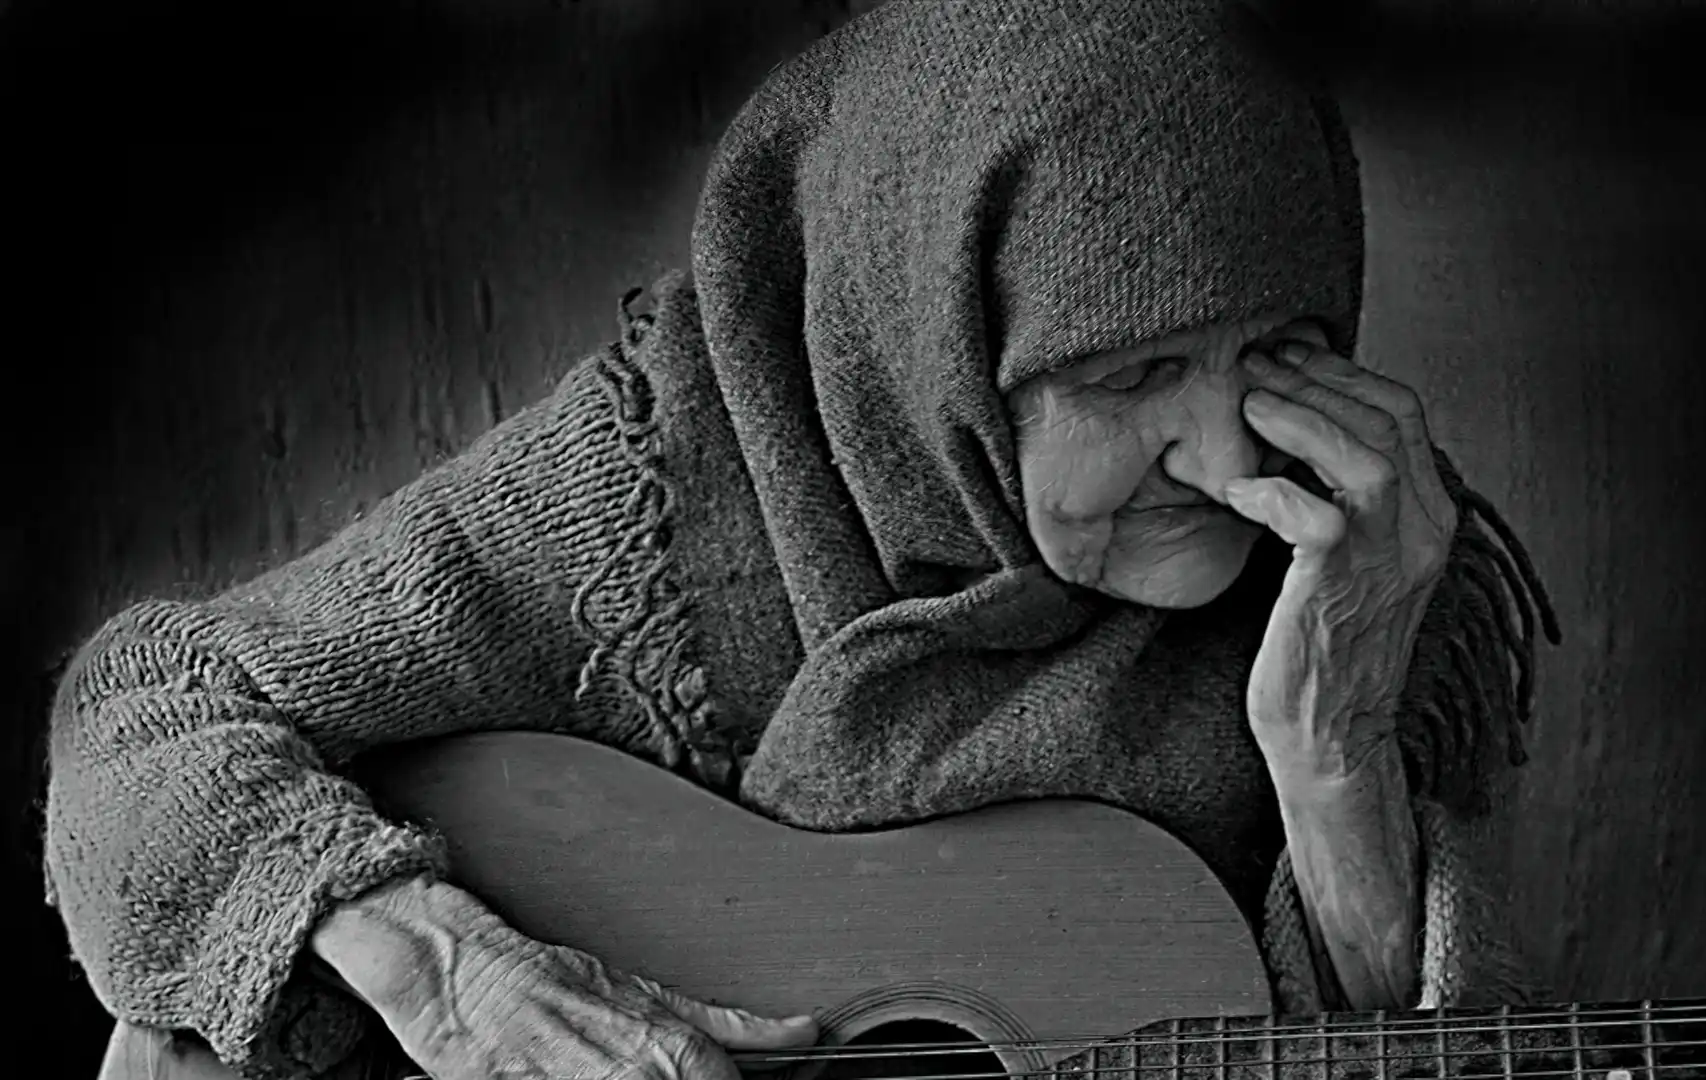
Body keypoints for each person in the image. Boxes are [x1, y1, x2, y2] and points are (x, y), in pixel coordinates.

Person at [47, 1, 1561, 1078]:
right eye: (1130, 373)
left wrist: (1340, 745)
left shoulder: (1349, 565)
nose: (1231, 457)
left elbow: (1408, 1054)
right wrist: (454, 978)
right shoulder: (648, 492)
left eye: (1281, 350)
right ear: (931, 348)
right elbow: (145, 714)